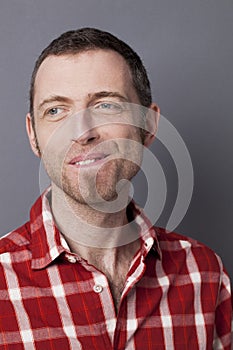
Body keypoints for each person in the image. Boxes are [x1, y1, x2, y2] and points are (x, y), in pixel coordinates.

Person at [0, 28, 231, 350]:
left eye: (106, 105)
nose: (82, 133)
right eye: (55, 110)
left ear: (148, 125)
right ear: (33, 135)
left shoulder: (204, 273)